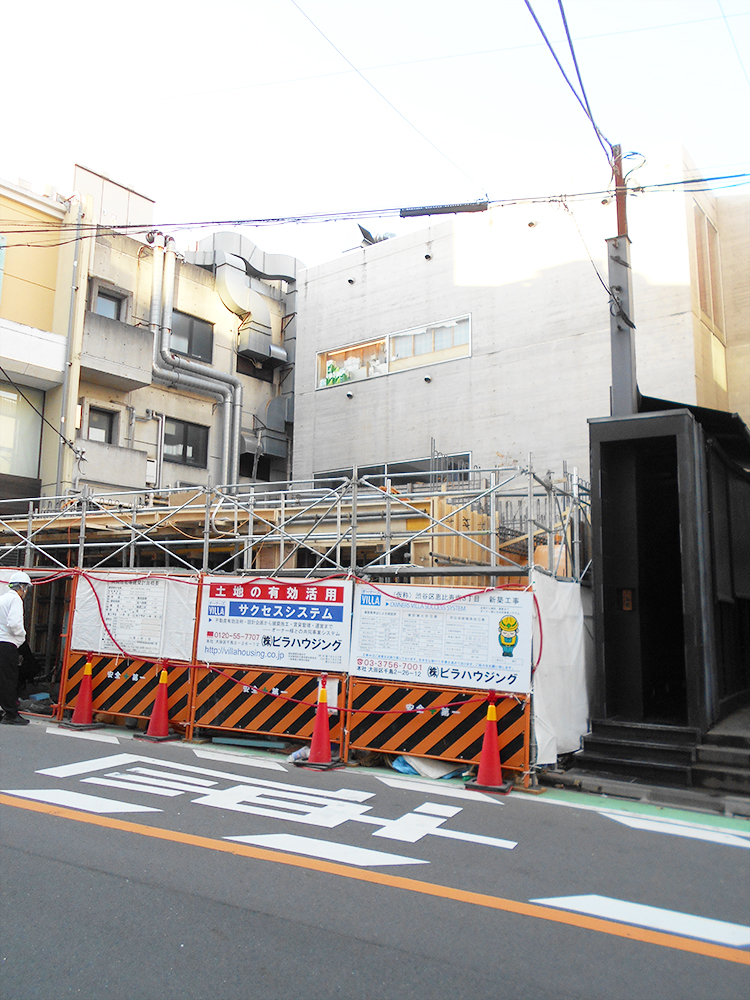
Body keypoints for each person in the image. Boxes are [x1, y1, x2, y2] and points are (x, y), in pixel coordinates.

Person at [0, 571, 33, 725]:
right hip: (7, 644)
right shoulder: (15, 600)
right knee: (9, 679)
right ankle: (11, 714)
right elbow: (14, 623)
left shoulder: (3, 598)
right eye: (26, 588)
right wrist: (22, 636)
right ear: (22, 587)